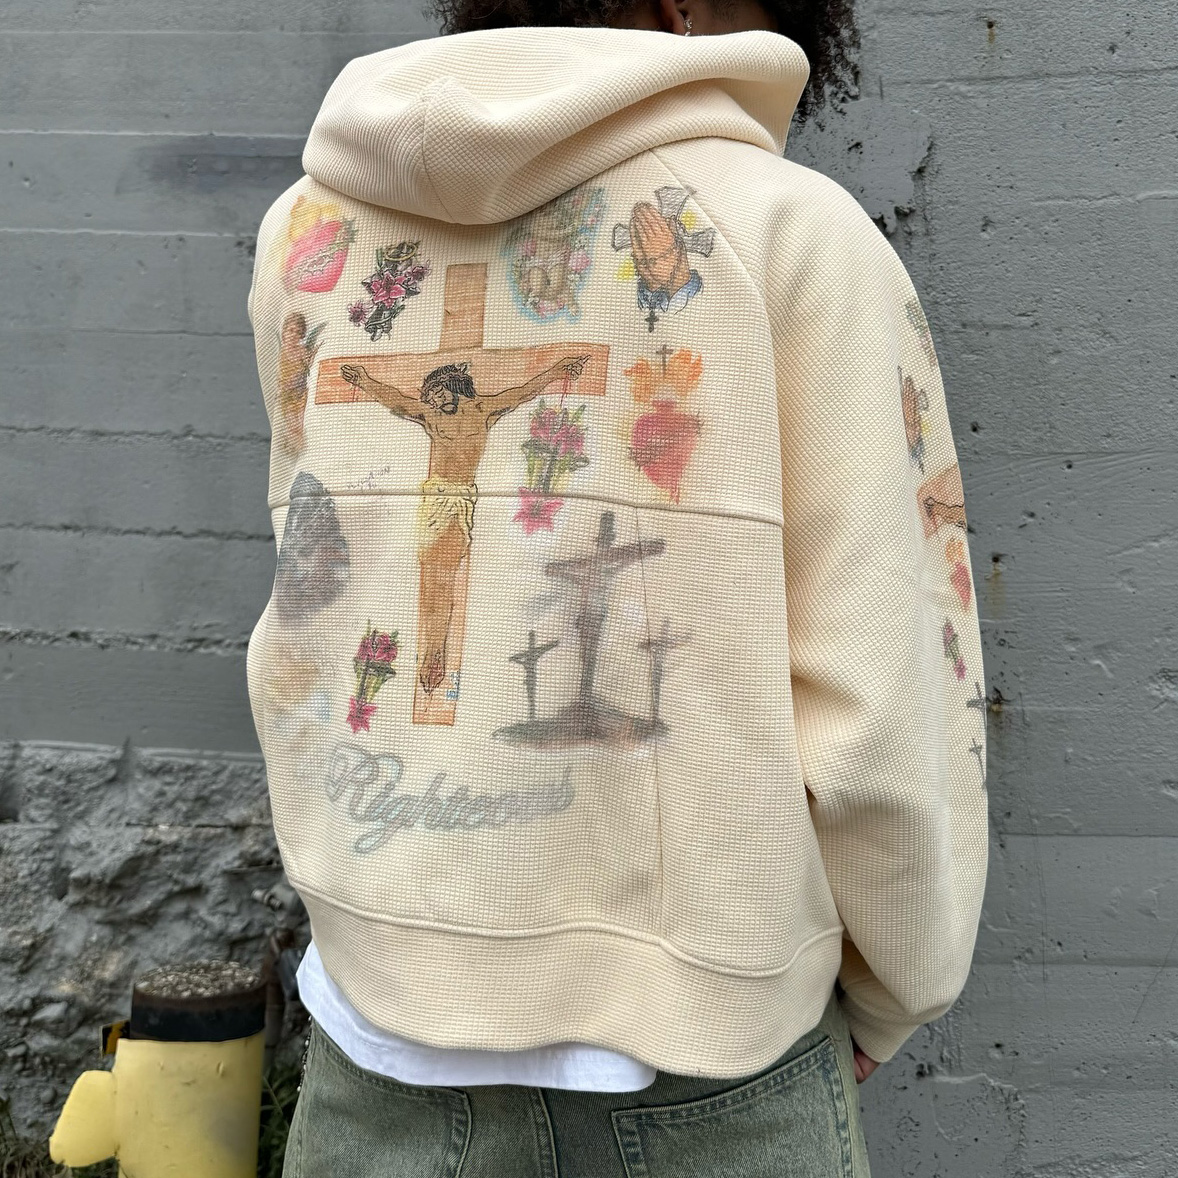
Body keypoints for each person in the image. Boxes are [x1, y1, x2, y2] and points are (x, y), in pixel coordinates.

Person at [244, 0, 989, 1173]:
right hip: (707, 1070)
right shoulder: (791, 233)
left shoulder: (302, 234)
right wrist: (897, 986)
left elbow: (308, 595)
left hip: (372, 1048)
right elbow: (878, 686)